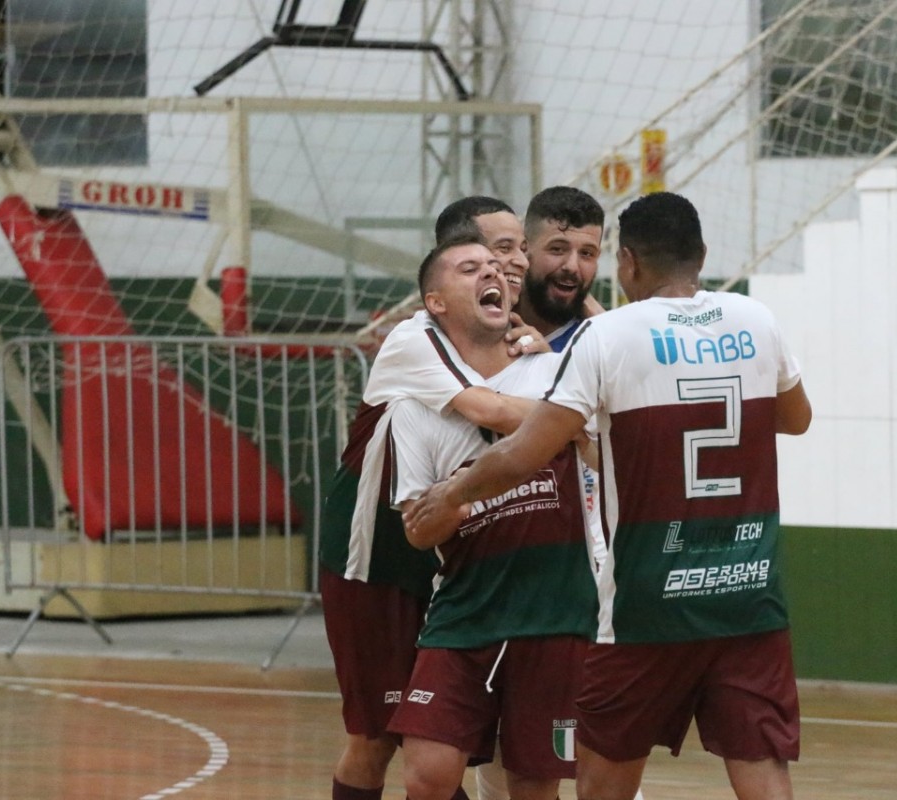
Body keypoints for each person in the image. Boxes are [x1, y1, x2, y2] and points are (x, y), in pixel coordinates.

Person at [403, 191, 813, 800]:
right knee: (761, 768)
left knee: (602, 781)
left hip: (649, 597)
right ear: (700, 255)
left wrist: (452, 492)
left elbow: (524, 451)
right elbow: (796, 418)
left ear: (627, 264)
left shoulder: (607, 336)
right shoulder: (756, 320)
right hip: (747, 588)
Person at [320, 198, 543, 800]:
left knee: (442, 735)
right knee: (379, 736)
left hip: (459, 563)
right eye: (496, 252)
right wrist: (578, 414)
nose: (512, 262)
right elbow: (491, 411)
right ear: (438, 290)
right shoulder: (415, 337)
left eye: (520, 249)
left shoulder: (522, 342)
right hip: (378, 558)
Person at [386, 235, 597, 800]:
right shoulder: (415, 404)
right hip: (465, 608)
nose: (493, 275)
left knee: (534, 784)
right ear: (437, 302)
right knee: (426, 775)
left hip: (555, 607)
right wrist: (456, 500)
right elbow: (417, 529)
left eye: (497, 268)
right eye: (470, 268)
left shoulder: (553, 370)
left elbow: (598, 444)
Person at [516, 186, 606, 352]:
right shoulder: (485, 325)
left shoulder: (601, 347)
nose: (572, 267)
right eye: (557, 249)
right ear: (524, 248)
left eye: (586, 253)